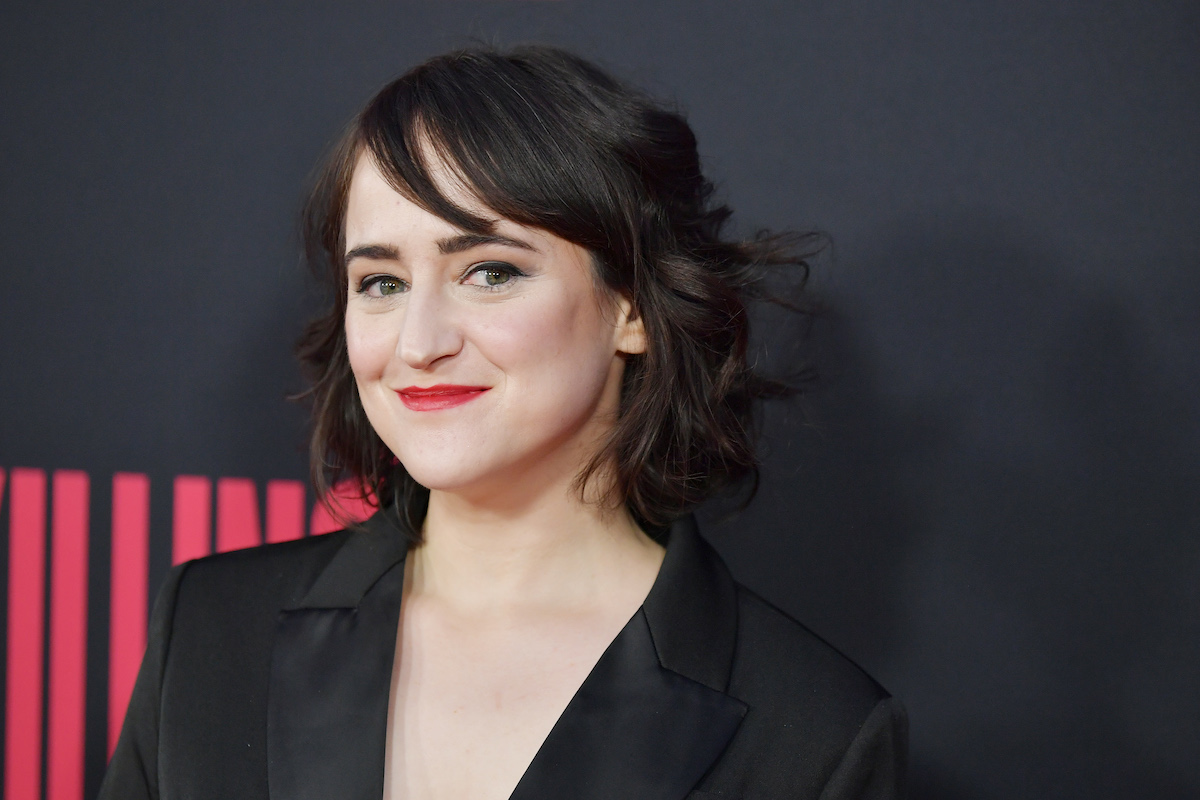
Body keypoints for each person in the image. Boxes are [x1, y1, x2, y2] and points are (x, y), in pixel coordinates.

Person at [100, 45, 906, 799]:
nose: (419, 344)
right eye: (381, 283)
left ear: (633, 306)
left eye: (489, 272)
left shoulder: (813, 734)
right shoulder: (210, 631)